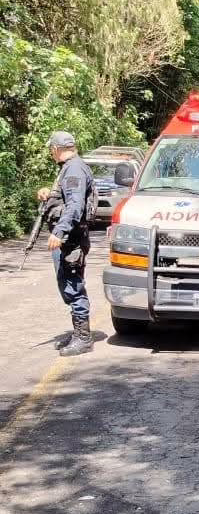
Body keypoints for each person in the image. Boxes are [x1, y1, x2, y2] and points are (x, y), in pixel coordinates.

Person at [36, 131, 95, 357]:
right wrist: (48, 194)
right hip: (69, 238)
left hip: (71, 239)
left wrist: (59, 231)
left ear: (56, 149)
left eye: (51, 149)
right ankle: (78, 334)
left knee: (73, 285)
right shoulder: (69, 168)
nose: (51, 153)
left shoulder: (74, 169)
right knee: (67, 284)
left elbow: (75, 205)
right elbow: (65, 198)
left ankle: (83, 338)